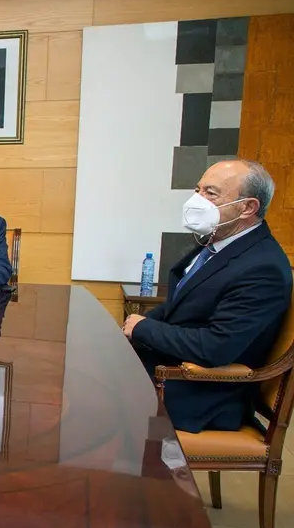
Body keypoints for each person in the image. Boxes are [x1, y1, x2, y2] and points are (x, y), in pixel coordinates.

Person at [124, 160, 292, 433]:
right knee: (83, 373)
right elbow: (180, 307)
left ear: (248, 207)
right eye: (197, 190)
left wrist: (143, 329)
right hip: (171, 369)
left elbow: (215, 347)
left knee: (90, 397)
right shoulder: (217, 243)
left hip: (202, 395)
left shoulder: (263, 268)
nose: (196, 200)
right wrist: (131, 328)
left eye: (211, 194)